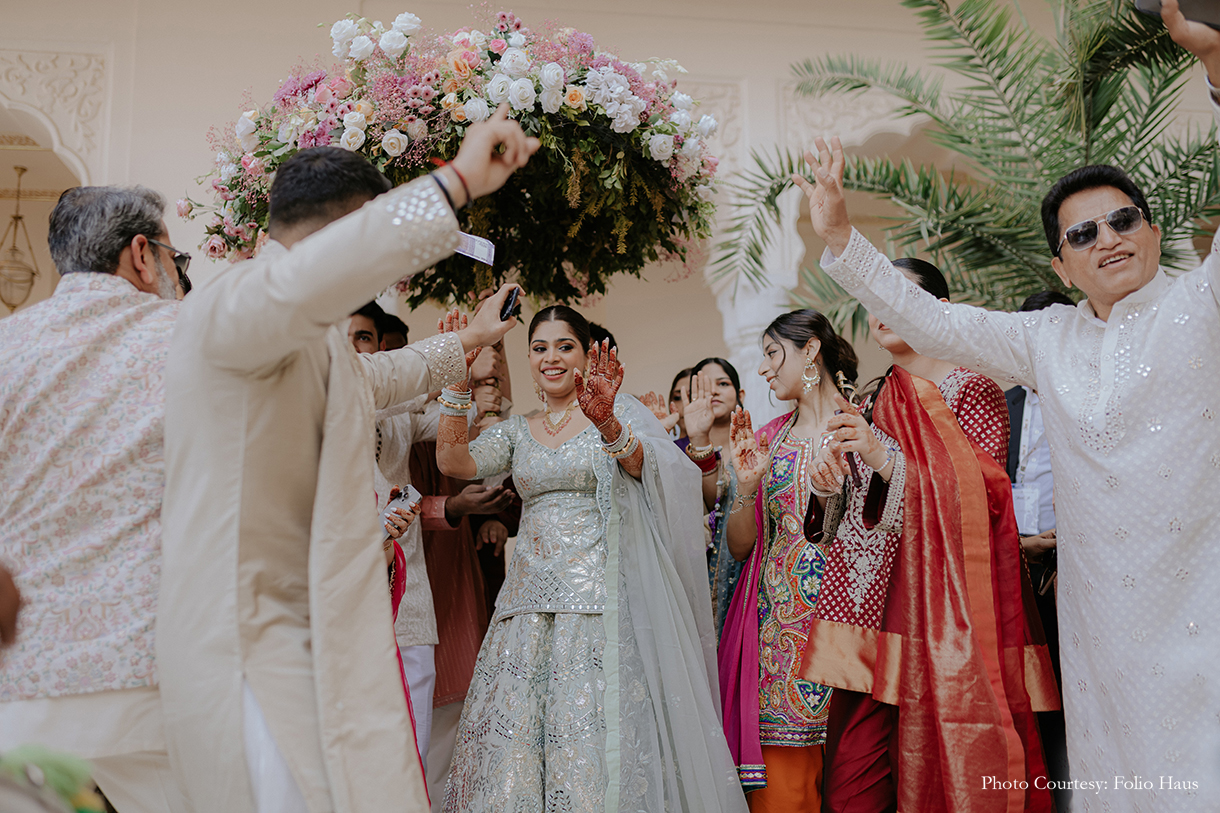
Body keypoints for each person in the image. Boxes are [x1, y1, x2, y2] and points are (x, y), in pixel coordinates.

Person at [793, 4, 1220, 805]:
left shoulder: (1202, 306)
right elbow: (930, 319)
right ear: (1062, 266)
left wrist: (1218, 69)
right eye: (1084, 233)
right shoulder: (1047, 339)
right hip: (1102, 622)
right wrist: (843, 235)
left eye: (1124, 220)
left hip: (1204, 601)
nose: (1109, 239)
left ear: (1155, 232)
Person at [158, 107, 537, 813]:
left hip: (306, 613)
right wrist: (454, 182)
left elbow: (377, 381)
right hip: (246, 622)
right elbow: (308, 285)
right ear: (347, 232)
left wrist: (471, 341)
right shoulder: (239, 303)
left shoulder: (305, 330)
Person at [435, 306, 747, 812]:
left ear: (586, 355)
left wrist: (607, 423)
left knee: (590, 744)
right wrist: (455, 386)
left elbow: (654, 471)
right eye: (539, 347)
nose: (551, 358)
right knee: (517, 751)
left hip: (599, 608)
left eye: (565, 346)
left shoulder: (612, 414)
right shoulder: (517, 433)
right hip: (525, 613)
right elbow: (455, 462)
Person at [802, 259, 1056, 812]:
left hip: (951, 617)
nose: (879, 312)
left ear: (938, 311)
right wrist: (828, 491)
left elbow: (985, 500)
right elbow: (857, 508)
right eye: (874, 302)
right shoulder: (876, 395)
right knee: (852, 784)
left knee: (955, 768)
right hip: (875, 610)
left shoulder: (973, 390)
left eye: (896, 296)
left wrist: (883, 456)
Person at [0, 186, 190, 813]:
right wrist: (457, 351)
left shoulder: (6, 345)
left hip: (24, 670)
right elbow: (348, 382)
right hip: (145, 668)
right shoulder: (188, 335)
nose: (177, 275)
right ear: (142, 254)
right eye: (174, 257)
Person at [717, 310, 858, 811]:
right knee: (783, 795)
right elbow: (739, 547)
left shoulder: (862, 428)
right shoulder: (769, 439)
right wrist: (746, 491)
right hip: (778, 643)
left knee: (858, 780)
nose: (762, 369)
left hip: (851, 635)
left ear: (811, 351)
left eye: (773, 353)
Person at [1005, 288, 1076, 812]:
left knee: (1071, 687)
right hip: (1012, 562)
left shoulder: (1085, 399)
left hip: (1071, 563)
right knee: (1028, 689)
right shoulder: (1000, 404)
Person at [677, 357, 747, 640]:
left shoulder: (759, 442)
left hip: (747, 564)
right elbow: (709, 504)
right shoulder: (679, 454)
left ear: (740, 395)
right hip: (697, 570)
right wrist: (700, 438)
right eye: (706, 386)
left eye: (723, 384)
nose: (715, 391)